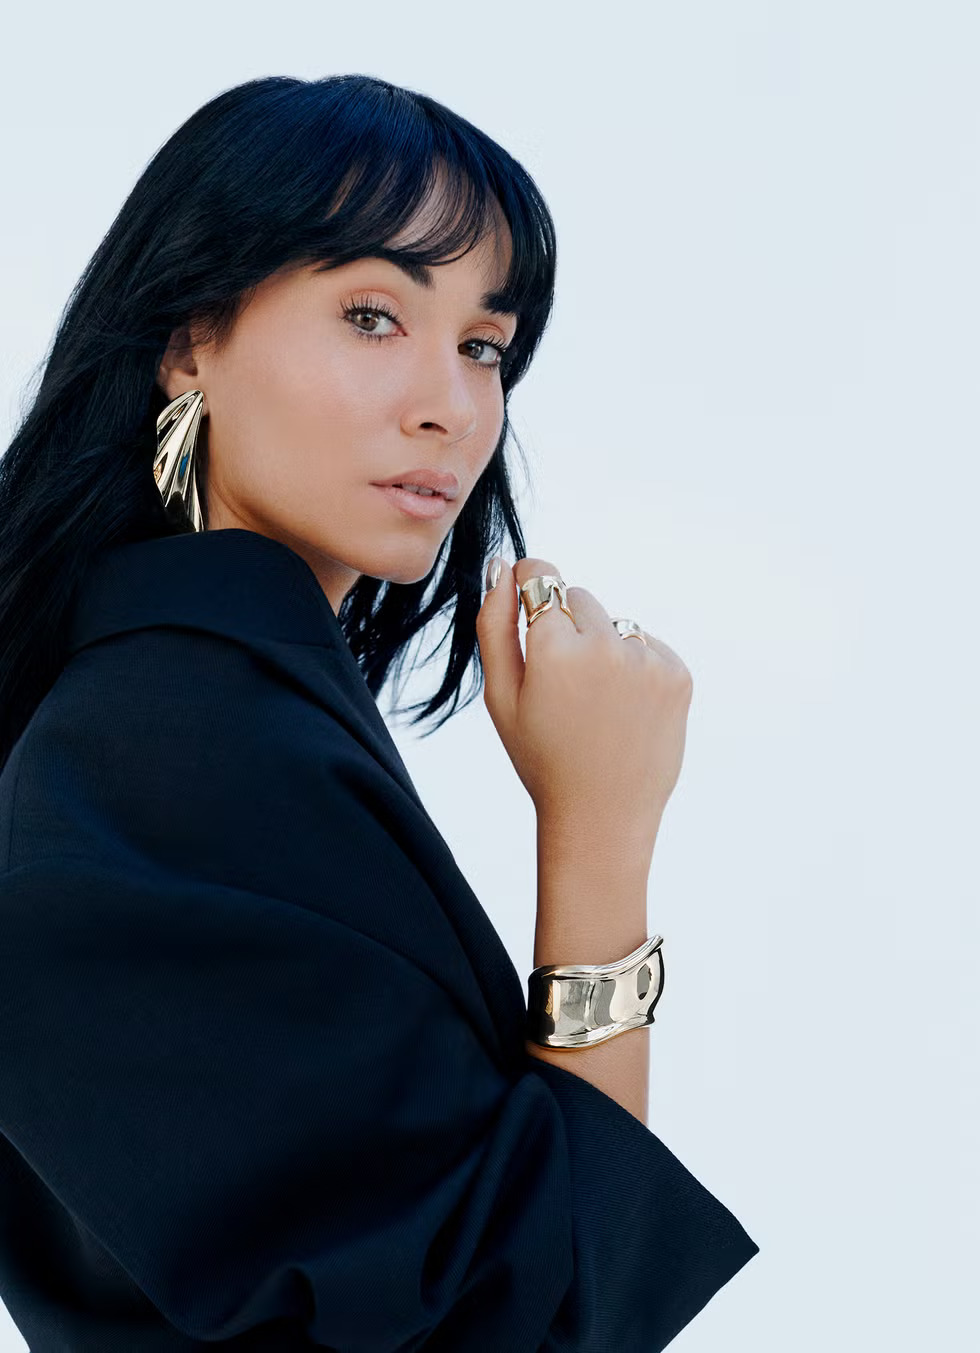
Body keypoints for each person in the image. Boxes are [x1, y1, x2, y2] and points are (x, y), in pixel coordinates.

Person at [0, 74, 759, 1351]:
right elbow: (531, 1322)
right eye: (371, 315)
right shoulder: (168, 752)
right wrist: (600, 834)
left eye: (482, 346)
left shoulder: (210, 717)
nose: (447, 405)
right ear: (190, 340)